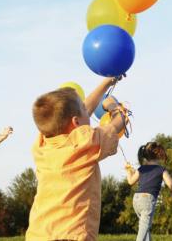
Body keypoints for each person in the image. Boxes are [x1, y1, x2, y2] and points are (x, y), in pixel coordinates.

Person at [26, 76, 127, 241]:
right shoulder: (85, 142)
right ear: (76, 122)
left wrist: (107, 82)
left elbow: (79, 114)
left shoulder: (41, 145)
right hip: (73, 235)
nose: (88, 110)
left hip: (38, 234)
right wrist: (114, 107)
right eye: (84, 109)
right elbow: (118, 122)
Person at [124, 141, 172, 241]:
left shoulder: (142, 168)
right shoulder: (161, 169)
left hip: (136, 200)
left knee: (145, 228)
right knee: (142, 232)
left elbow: (130, 181)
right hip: (147, 201)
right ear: (158, 155)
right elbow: (171, 184)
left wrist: (128, 171)